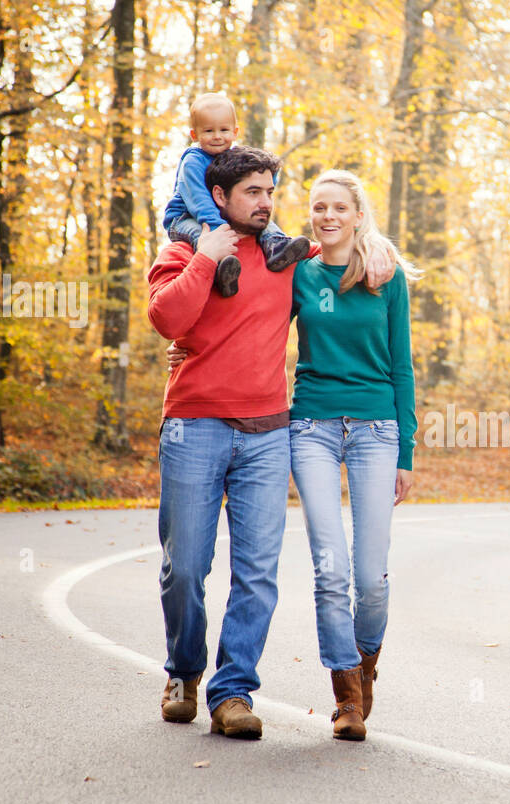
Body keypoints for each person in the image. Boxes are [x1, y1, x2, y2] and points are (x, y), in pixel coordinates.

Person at [148, 146, 394, 740]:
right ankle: (183, 672)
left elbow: (341, 248)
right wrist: (206, 259)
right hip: (194, 427)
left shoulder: (286, 258)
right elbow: (166, 319)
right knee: (184, 567)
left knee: (257, 572)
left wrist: (381, 249)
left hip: (267, 433)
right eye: (253, 193)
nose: (266, 203)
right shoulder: (183, 249)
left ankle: (233, 692)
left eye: (270, 191)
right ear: (220, 198)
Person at [161, 92, 310, 297]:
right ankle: (221, 268)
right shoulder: (193, 162)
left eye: (224, 130)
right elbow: (199, 201)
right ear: (194, 135)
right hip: (186, 217)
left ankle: (276, 246)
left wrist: (264, 188)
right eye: (208, 131)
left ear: (235, 132)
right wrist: (217, 228)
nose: (217, 136)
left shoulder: (235, 155)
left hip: (218, 215)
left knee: (260, 211)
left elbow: (262, 172)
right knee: (203, 237)